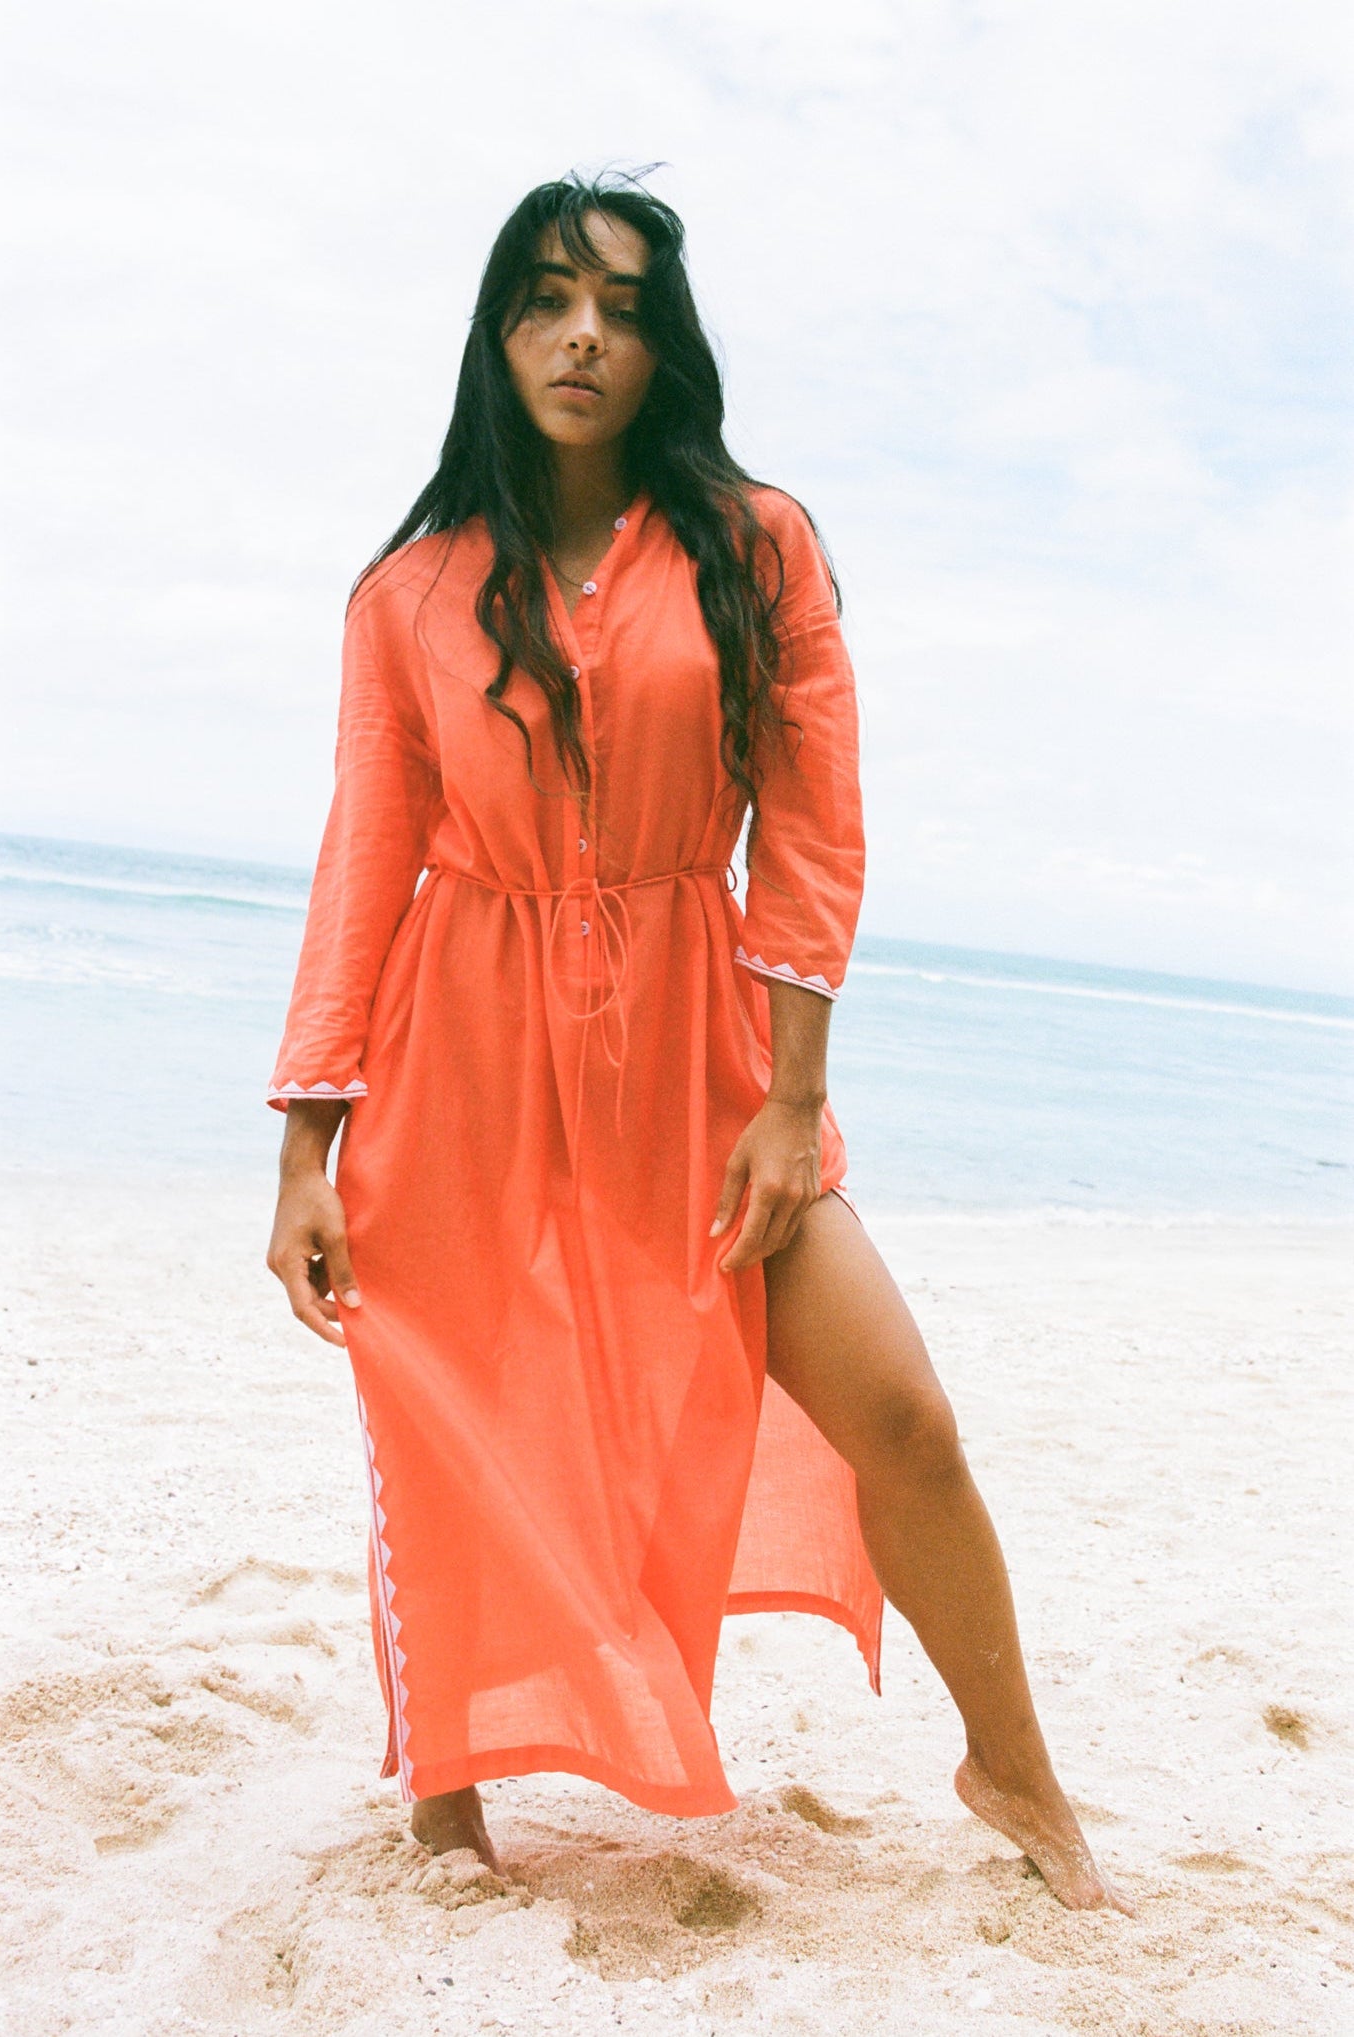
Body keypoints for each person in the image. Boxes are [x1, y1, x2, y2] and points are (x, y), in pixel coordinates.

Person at [264, 169, 1128, 1914]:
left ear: (668, 346)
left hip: (704, 1056)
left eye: (626, 306)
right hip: (464, 1058)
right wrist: (306, 1140)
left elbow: (812, 823)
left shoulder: (756, 544)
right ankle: (447, 1806)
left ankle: (1013, 1765)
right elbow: (366, 858)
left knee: (901, 1412)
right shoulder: (411, 592)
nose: (586, 334)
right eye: (548, 299)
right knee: (450, 1422)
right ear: (499, 332)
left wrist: (791, 1098)